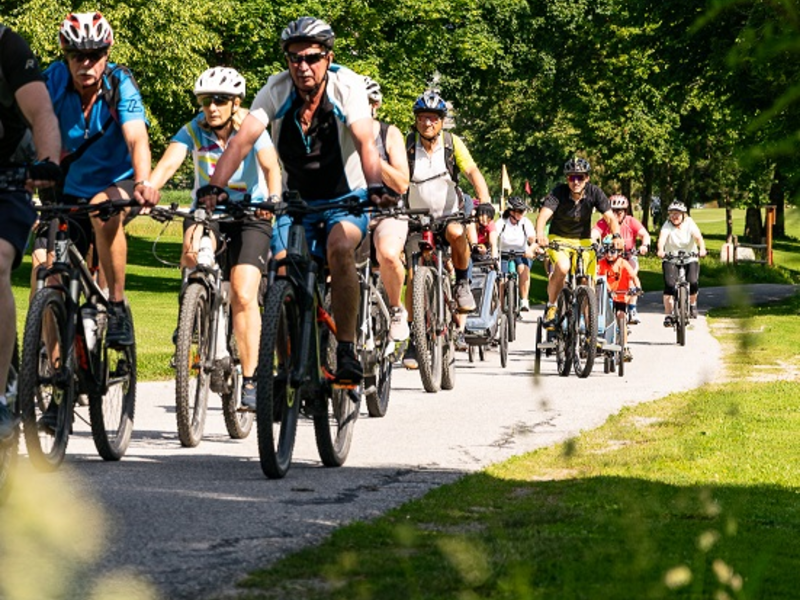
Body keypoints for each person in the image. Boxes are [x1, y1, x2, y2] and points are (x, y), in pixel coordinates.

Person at [198, 17, 394, 387]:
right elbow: (240, 143)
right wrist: (215, 187)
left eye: (312, 57)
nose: (302, 66)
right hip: (296, 202)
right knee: (282, 270)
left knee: (339, 247)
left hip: (346, 197)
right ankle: (287, 370)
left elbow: (367, 143)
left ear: (328, 57)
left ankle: (348, 350)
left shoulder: (346, 86)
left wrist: (374, 187)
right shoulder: (276, 90)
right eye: (294, 58)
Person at [149, 67, 282, 409]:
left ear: (236, 102)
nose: (212, 107)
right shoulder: (193, 129)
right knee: (192, 250)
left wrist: (273, 199)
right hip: (208, 213)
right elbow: (168, 163)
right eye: (206, 100)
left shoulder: (251, 128)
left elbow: (270, 166)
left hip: (251, 215)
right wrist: (149, 188)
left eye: (220, 100)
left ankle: (250, 380)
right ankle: (190, 317)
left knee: (242, 291)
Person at [41, 12, 160, 348]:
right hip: (66, 188)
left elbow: (137, 138)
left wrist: (143, 182)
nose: (87, 64)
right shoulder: (51, 80)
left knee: (101, 210)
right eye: (78, 56)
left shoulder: (119, 83)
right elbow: (28, 124)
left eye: (95, 56)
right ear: (66, 56)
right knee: (52, 280)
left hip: (118, 182)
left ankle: (116, 304)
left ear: (107, 55)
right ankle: (54, 379)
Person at [0, 23, 62, 440]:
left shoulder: (7, 45)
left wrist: (46, 161)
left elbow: (41, 111)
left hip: (7, 181)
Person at [402, 91, 491, 368]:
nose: (427, 123)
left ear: (441, 121)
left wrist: (485, 201)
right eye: (422, 118)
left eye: (432, 118)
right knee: (414, 274)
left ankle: (462, 283)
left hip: (448, 215)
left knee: (456, 234)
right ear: (416, 121)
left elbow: (473, 173)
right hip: (416, 219)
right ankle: (414, 341)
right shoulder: (407, 145)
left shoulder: (453, 144)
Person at [535, 157, 622, 328]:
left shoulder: (595, 192)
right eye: (571, 177)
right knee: (563, 267)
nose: (576, 182)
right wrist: (540, 234)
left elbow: (610, 217)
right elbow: (544, 215)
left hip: (583, 240)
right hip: (558, 238)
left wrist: (617, 235)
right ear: (567, 178)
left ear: (587, 178)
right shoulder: (558, 192)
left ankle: (590, 327)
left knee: (587, 281)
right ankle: (552, 306)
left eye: (580, 177)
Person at [363, 76, 410, 342]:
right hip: (352, 210)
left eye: (365, 103)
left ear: (376, 105)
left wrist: (371, 155)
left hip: (388, 211)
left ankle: (395, 309)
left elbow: (402, 183)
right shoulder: (338, 134)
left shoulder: (388, 134)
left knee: (389, 254)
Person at [591, 194, 650, 324]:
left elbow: (644, 234)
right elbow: (593, 234)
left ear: (625, 212)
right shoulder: (603, 222)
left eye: (620, 211)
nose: (616, 214)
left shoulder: (631, 222)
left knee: (631, 276)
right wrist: (594, 243)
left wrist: (644, 245)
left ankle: (632, 308)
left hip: (628, 256)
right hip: (608, 257)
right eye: (613, 211)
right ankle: (599, 308)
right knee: (598, 278)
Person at [656, 200, 707, 325]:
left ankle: (692, 304)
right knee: (669, 284)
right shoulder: (667, 225)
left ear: (684, 215)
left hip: (690, 257)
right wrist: (661, 250)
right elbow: (662, 239)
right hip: (671, 258)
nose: (674, 217)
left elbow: (698, 238)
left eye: (677, 214)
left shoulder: (689, 223)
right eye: (672, 214)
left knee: (693, 281)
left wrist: (702, 249)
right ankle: (668, 315)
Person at [597, 241, 641, 361]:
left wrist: (637, 287)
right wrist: (609, 290)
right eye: (606, 251)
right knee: (605, 318)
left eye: (612, 251)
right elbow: (600, 278)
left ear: (619, 252)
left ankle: (625, 346)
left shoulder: (623, 263)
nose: (609, 254)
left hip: (621, 295)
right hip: (607, 295)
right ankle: (600, 341)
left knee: (621, 316)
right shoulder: (601, 264)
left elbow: (633, 277)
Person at [496, 197, 537, 312]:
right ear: (511, 211)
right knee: (501, 280)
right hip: (503, 253)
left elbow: (533, 239)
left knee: (523, 269)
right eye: (519, 211)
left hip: (521, 253)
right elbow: (493, 237)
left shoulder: (525, 222)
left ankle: (524, 300)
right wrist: (493, 251)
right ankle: (500, 307)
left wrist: (531, 249)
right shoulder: (501, 222)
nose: (522, 213)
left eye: (523, 211)